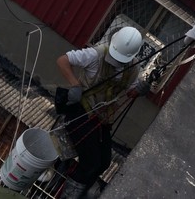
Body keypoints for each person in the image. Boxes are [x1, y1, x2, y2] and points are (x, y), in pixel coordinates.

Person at [57, 26, 151, 199]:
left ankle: (78, 190)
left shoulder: (133, 69)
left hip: (102, 119)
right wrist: (74, 84)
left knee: (103, 163)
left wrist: (140, 89)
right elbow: (63, 60)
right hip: (81, 111)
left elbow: (130, 92)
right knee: (91, 162)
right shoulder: (96, 54)